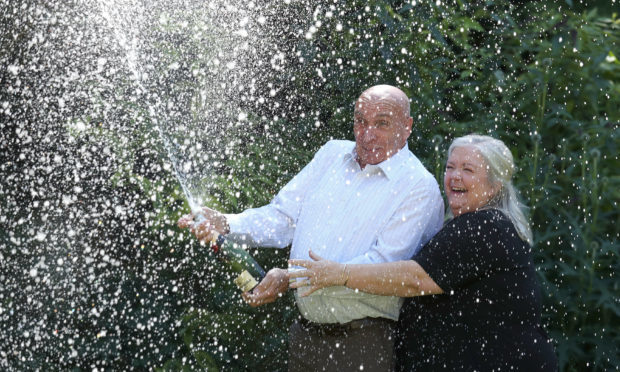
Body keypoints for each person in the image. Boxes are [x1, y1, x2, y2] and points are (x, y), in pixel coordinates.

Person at [178, 85, 445, 371]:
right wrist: (227, 223)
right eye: (360, 121)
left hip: (365, 343)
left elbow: (380, 269)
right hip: (306, 335)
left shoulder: (419, 188)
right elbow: (283, 217)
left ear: (407, 128)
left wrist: (290, 278)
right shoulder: (332, 155)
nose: (366, 135)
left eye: (381, 123)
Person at [289, 134, 559, 371]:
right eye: (450, 167)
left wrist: (341, 274)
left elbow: (414, 278)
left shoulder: (485, 227)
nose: (454, 176)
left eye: (468, 170)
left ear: (494, 185)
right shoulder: (476, 225)